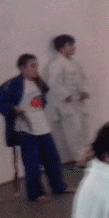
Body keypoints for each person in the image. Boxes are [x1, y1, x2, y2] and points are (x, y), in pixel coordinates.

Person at [0, 54, 73, 202]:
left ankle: (58, 186)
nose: (35, 69)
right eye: (32, 66)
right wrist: (13, 108)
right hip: (25, 129)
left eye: (36, 65)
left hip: (42, 126)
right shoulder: (13, 84)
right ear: (22, 68)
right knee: (32, 163)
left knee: (52, 158)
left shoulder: (39, 82)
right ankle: (36, 193)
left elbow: (41, 100)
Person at [44, 34, 90, 162]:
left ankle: (86, 155)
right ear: (61, 48)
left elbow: (83, 80)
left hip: (78, 102)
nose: (73, 48)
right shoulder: (56, 64)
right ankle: (79, 158)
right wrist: (65, 95)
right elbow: (53, 83)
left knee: (83, 128)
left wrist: (84, 91)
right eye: (70, 45)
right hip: (67, 104)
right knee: (74, 131)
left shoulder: (75, 64)